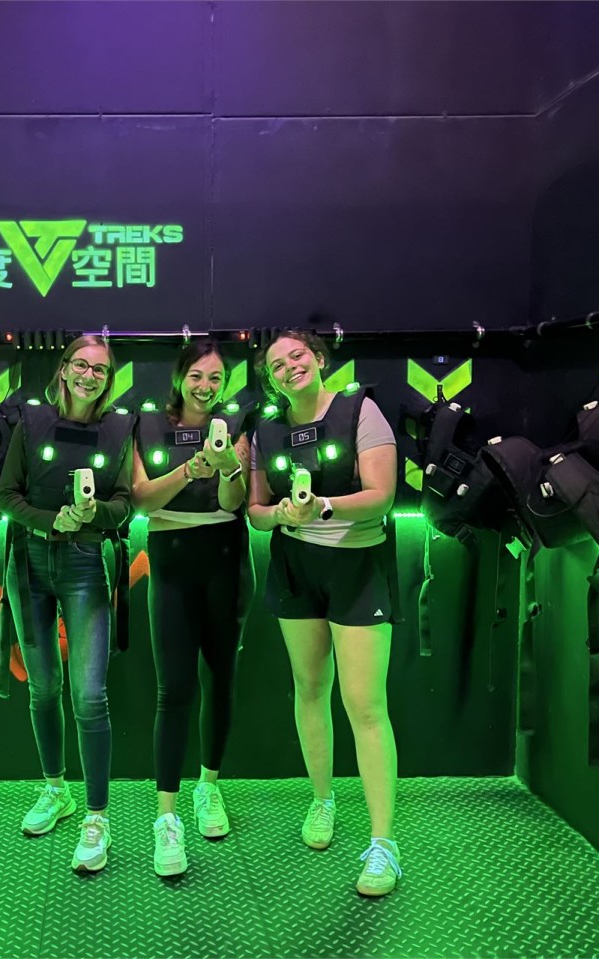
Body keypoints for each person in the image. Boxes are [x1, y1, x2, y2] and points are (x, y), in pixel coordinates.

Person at [245, 329, 403, 897]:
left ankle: (383, 844)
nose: (290, 367)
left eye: (298, 356)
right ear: (269, 380)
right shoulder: (264, 430)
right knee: (310, 688)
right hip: (294, 566)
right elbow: (255, 512)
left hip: (357, 568)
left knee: (365, 705)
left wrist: (325, 507)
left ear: (317, 359)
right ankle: (322, 799)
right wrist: (281, 516)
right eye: (276, 365)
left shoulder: (360, 410)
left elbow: (382, 495)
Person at [0, 335, 134, 873]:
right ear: (63, 369)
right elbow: (7, 497)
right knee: (43, 687)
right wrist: (51, 520)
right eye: (81, 365)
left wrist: (94, 515)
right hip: (28, 564)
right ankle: (56, 789)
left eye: (100, 369)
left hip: (85, 565)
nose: (89, 375)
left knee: (89, 696)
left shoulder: (120, 429)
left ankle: (97, 817)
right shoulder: (30, 422)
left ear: (109, 379)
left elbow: (124, 504)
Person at [132, 341, 252, 877]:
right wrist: (190, 469)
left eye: (216, 378)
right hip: (171, 556)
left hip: (226, 556)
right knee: (173, 689)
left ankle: (209, 785)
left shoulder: (238, 424)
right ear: (180, 377)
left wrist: (226, 470)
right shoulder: (145, 424)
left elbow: (233, 502)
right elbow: (141, 500)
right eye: (198, 376)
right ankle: (166, 816)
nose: (206, 386)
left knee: (220, 678)